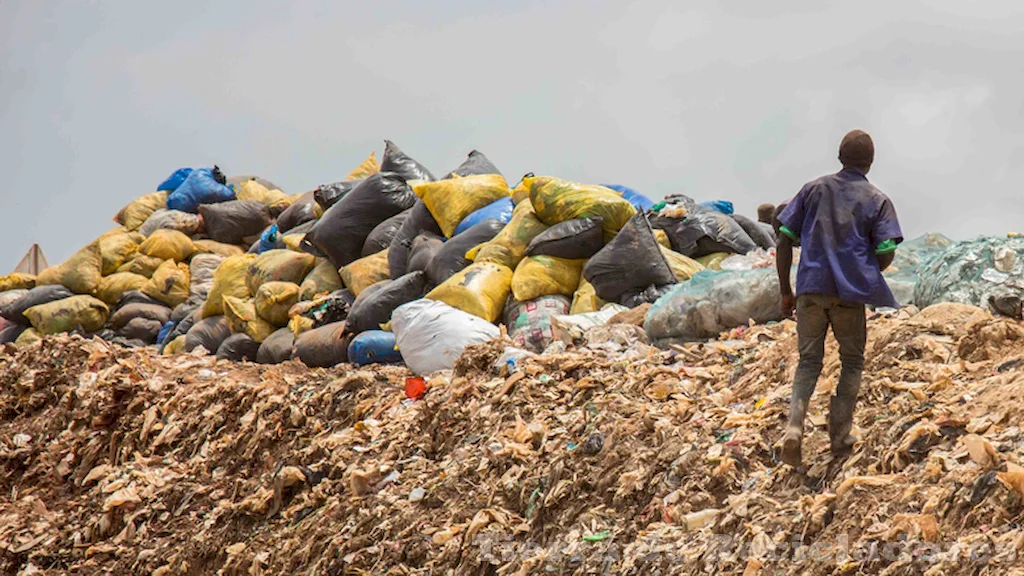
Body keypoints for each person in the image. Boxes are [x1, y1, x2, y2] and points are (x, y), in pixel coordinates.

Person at [775, 129, 902, 467]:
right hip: (848, 295)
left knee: (808, 362)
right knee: (852, 361)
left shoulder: (813, 189)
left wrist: (786, 292)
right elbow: (887, 248)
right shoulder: (877, 200)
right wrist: (866, 273)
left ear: (839, 157)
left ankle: (794, 427)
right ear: (870, 162)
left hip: (811, 290)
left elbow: (784, 238)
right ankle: (840, 434)